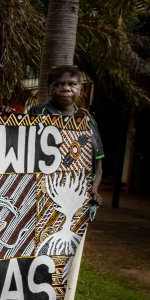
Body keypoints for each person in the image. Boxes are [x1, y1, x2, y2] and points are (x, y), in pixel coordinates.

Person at [28, 65, 104, 206]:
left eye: (72, 84)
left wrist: (94, 191)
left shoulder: (88, 121)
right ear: (49, 89)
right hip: (42, 195)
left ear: (80, 89)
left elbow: (98, 162)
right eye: (58, 84)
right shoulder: (38, 113)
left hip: (79, 197)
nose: (66, 88)